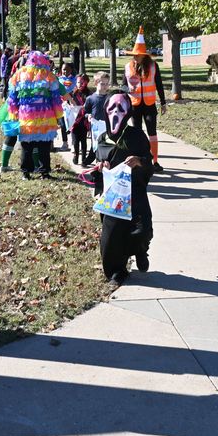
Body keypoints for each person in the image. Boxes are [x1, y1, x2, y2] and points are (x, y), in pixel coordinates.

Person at [92, 93, 155, 286]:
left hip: (135, 193)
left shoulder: (137, 136)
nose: (115, 112)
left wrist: (139, 162)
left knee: (142, 231)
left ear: (128, 112)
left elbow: (149, 164)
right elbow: (97, 162)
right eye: (112, 108)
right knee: (111, 238)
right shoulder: (102, 138)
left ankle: (139, 251)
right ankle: (117, 272)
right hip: (113, 196)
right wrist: (101, 167)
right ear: (105, 111)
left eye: (121, 108)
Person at [7, 51, 64, 179]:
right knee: (44, 146)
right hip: (46, 117)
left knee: (27, 146)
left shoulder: (19, 75)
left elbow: (12, 99)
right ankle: (44, 172)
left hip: (26, 117)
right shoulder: (49, 76)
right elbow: (56, 99)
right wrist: (59, 116)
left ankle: (26, 173)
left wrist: (13, 115)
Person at [123, 27, 168, 172]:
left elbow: (159, 85)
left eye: (138, 55)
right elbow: (123, 85)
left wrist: (163, 102)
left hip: (149, 105)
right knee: (137, 133)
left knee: (152, 133)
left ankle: (154, 161)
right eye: (134, 55)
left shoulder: (154, 66)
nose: (135, 57)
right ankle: (138, 161)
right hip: (135, 105)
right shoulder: (128, 67)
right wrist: (127, 91)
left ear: (144, 56)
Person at [82, 71, 112, 166]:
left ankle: (104, 163)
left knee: (106, 146)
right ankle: (90, 161)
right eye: (102, 84)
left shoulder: (110, 98)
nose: (105, 86)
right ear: (96, 83)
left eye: (107, 84)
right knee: (95, 145)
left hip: (108, 126)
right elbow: (85, 112)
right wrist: (88, 116)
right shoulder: (90, 98)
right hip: (96, 127)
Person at [68, 75, 91, 165]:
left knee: (83, 140)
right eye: (78, 82)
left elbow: (90, 107)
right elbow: (66, 101)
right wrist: (69, 105)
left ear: (86, 83)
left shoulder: (89, 94)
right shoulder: (73, 93)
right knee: (75, 140)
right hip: (74, 120)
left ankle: (84, 158)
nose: (80, 84)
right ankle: (76, 156)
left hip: (84, 121)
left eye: (82, 82)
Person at [56, 63, 77, 152]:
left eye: (67, 70)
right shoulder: (58, 79)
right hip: (61, 104)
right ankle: (65, 142)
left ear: (71, 70)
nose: (65, 71)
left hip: (71, 103)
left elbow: (73, 89)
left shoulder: (75, 79)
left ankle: (73, 143)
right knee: (62, 124)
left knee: (72, 123)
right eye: (64, 69)